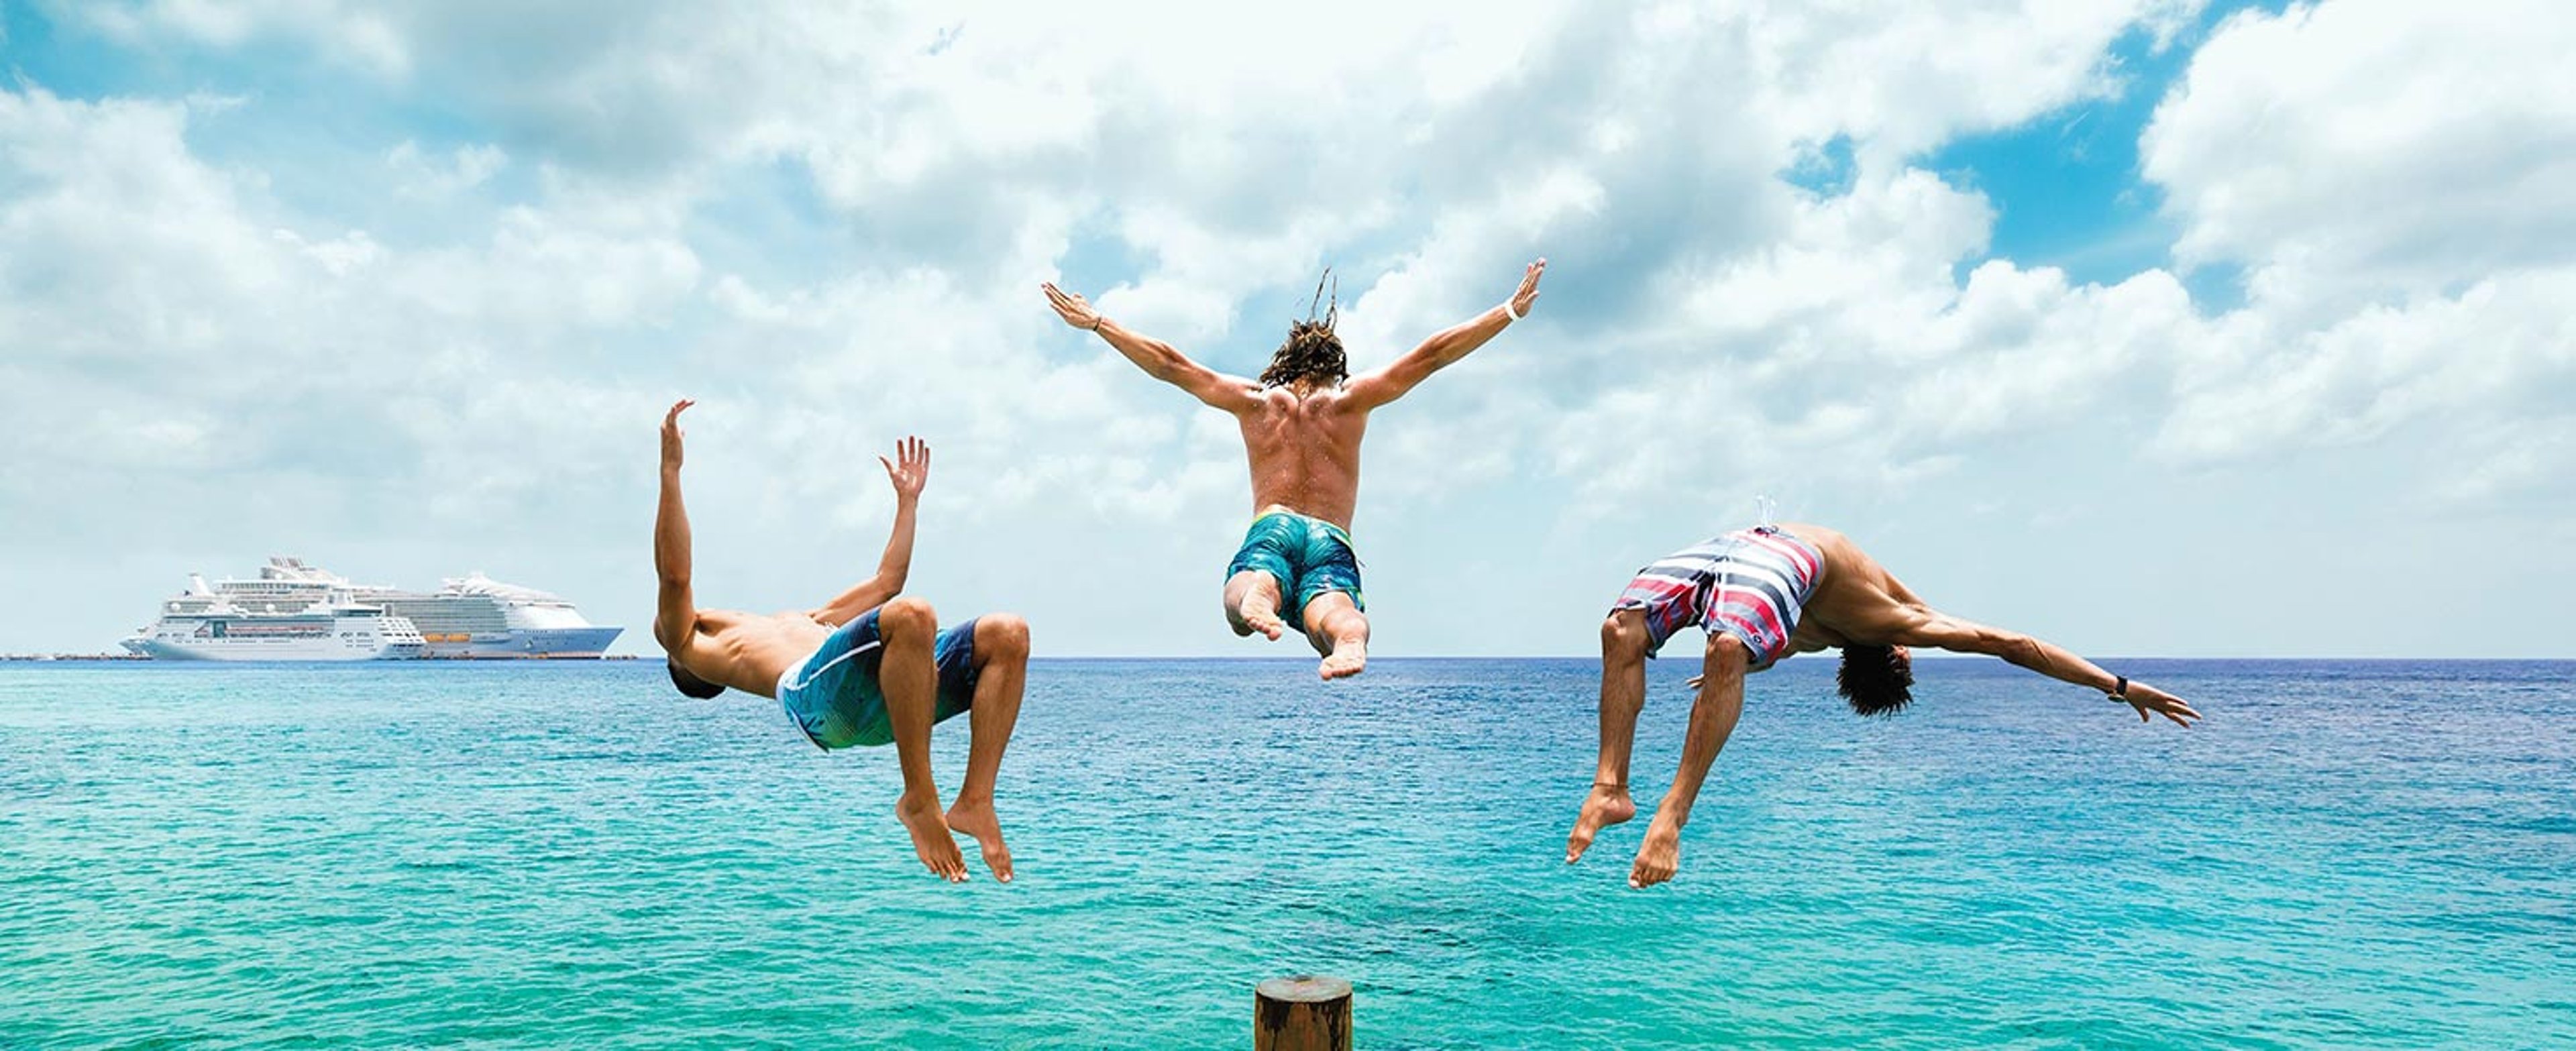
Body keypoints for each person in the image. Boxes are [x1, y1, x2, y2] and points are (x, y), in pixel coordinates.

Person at [1564, 522, 2202, 889]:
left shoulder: (1873, 625)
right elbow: (2012, 645)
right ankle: (1615, 791)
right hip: (1759, 561)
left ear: (1889, 654)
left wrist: (2119, 686)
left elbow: (2014, 643)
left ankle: (1654, 807)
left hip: (1751, 547)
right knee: (1695, 642)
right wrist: (2115, 688)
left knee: (1636, 633)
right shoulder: (1846, 627)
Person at [1041, 260, 1548, 679]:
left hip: (1274, 527)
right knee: (1331, 611)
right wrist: (1509, 311)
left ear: (1283, 362)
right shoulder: (1351, 401)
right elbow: (1431, 356)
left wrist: (1100, 323)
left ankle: (1260, 587)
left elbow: (1172, 365)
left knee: (1239, 600)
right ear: (1337, 365)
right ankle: (1349, 637)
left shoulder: (1256, 401)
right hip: (1331, 537)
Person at [653, 400, 1030, 883]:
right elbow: (676, 579)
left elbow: (886, 580)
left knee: (1008, 633)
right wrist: (671, 471)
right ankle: (919, 798)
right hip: (818, 701)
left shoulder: (808, 621)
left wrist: (908, 504)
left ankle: (975, 799)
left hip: (889, 698)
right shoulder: (691, 647)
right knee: (913, 615)